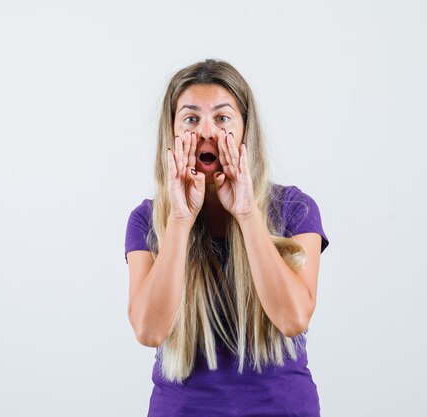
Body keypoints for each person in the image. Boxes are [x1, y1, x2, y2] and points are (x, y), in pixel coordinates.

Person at [124, 59, 329, 417]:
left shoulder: (295, 209)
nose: (206, 131)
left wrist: (248, 214)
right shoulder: (147, 220)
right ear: (171, 134)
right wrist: (179, 221)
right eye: (190, 118)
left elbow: (294, 318)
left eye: (222, 118)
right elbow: (149, 330)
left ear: (245, 131)